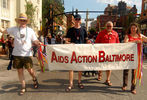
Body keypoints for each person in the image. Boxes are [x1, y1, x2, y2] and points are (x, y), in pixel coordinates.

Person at [0, 13, 40, 95]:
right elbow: (3, 31)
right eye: (21, 20)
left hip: (27, 54)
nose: (23, 22)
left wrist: (37, 42)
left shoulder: (30, 30)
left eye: (24, 20)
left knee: (30, 71)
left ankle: (34, 78)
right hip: (17, 54)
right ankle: (23, 87)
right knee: (20, 71)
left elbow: (35, 40)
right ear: (19, 21)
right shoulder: (14, 29)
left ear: (26, 21)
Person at [122, 22, 147, 94]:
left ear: (137, 29)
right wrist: (135, 41)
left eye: (134, 28)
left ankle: (133, 87)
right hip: (128, 56)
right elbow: (125, 44)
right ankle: (124, 85)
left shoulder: (140, 35)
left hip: (137, 57)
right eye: (132, 28)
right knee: (126, 71)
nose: (133, 29)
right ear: (130, 29)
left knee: (135, 72)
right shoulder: (127, 36)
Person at [65, 14, 88, 92]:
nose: (77, 21)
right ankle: (71, 84)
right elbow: (66, 41)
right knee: (71, 68)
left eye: (78, 19)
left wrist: (90, 42)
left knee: (80, 68)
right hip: (72, 51)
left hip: (81, 51)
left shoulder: (84, 30)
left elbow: (86, 40)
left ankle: (79, 82)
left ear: (80, 20)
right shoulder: (70, 30)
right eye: (76, 19)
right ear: (74, 20)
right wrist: (69, 43)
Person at [95, 21, 120, 86]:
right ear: (106, 26)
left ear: (112, 27)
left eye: (110, 26)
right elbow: (96, 42)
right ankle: (99, 74)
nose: (109, 27)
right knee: (100, 65)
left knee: (109, 66)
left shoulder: (115, 34)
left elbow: (118, 44)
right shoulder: (101, 33)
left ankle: (108, 79)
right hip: (102, 53)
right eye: (108, 26)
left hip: (111, 53)